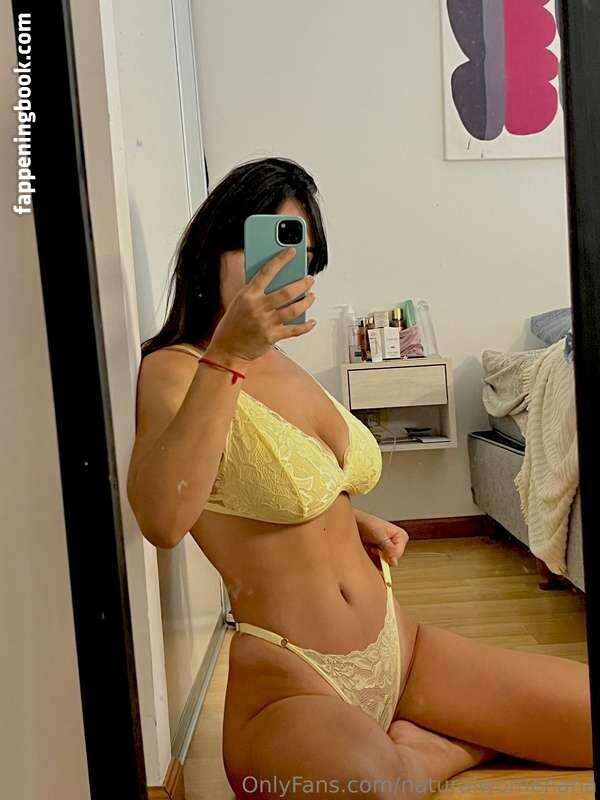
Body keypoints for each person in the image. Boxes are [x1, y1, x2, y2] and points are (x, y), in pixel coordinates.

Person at [127, 157, 593, 799]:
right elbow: (162, 518)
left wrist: (351, 521)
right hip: (291, 680)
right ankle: (441, 750)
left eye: (301, 255)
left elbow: (282, 481)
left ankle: (416, 743)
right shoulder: (176, 370)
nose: (281, 270)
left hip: (401, 648)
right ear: (214, 249)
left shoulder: (286, 363)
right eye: (266, 247)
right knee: (376, 789)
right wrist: (228, 353)